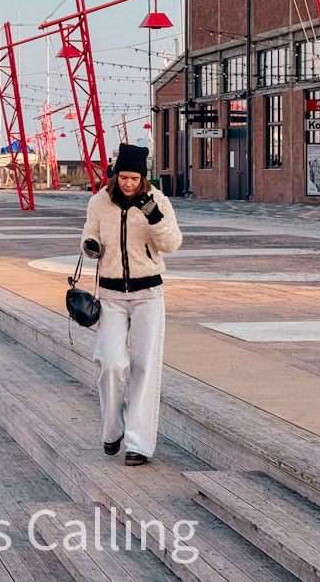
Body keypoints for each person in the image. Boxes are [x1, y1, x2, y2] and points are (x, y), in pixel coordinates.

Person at [80, 143, 182, 466]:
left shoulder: (157, 202)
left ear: (143, 176)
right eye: (123, 177)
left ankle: (138, 443)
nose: (128, 183)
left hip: (147, 295)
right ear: (115, 174)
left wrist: (155, 218)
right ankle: (112, 430)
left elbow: (173, 242)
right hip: (110, 296)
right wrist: (91, 245)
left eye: (134, 178)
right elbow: (88, 236)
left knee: (143, 367)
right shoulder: (99, 202)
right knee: (110, 362)